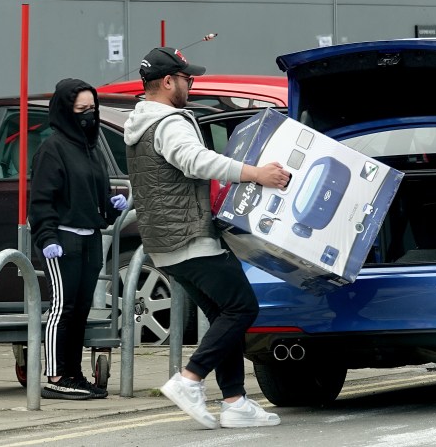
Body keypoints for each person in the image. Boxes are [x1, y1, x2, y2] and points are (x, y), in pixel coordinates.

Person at [123, 47, 291, 430]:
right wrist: (255, 173)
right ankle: (190, 379)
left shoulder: (141, 122)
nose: (190, 85)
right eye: (187, 79)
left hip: (164, 242)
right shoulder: (169, 122)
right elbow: (195, 161)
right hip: (189, 237)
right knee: (242, 308)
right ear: (168, 82)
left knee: (222, 314)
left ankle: (235, 402)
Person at [29, 78, 128, 400]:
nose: (88, 115)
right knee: (63, 308)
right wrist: (46, 237)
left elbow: (93, 194)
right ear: (65, 110)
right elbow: (41, 200)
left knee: (81, 309)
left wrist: (112, 207)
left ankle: (74, 373)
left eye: (93, 109)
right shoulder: (52, 149)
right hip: (63, 240)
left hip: (90, 238)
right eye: (81, 109)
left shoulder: (90, 147)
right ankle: (55, 376)